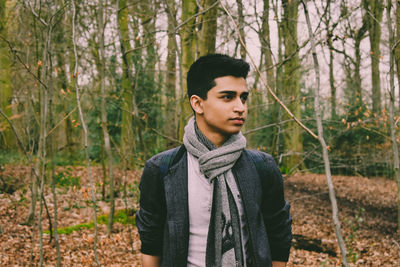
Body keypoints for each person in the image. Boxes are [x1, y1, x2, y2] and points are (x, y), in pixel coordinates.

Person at [136, 54, 292, 267]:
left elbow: (278, 234)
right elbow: (151, 240)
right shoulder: (162, 168)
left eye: (243, 97)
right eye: (227, 97)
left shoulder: (262, 167)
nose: (241, 107)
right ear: (198, 104)